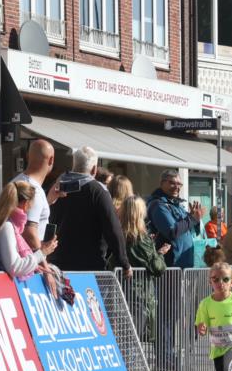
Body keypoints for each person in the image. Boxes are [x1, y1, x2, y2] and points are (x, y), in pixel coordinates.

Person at [48, 146, 130, 274]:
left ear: (73, 164)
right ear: (94, 169)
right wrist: (124, 263)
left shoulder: (56, 187)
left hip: (56, 263)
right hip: (89, 266)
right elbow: (112, 228)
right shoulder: (98, 191)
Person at [0, 181, 58, 280]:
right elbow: (15, 267)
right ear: (26, 204)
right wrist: (42, 252)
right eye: (31, 207)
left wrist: (33, 265)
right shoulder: (6, 225)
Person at [115, 195, 170, 342]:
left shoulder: (117, 234)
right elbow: (157, 268)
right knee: (133, 339)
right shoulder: (140, 238)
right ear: (140, 214)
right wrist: (159, 253)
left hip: (120, 290)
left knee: (124, 336)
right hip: (139, 293)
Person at [146, 170, 206, 269]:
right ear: (162, 183)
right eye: (172, 183)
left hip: (185, 263)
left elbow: (191, 230)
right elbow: (172, 231)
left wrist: (194, 217)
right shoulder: (158, 205)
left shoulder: (177, 205)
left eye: (179, 184)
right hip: (170, 266)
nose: (177, 187)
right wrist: (192, 219)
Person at [11, 139, 56, 251]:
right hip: (28, 258)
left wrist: (48, 200)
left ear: (27, 156)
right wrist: (43, 258)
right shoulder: (33, 190)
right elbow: (29, 233)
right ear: (51, 160)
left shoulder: (17, 182)